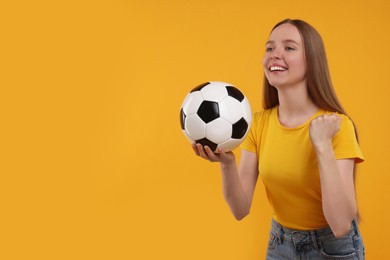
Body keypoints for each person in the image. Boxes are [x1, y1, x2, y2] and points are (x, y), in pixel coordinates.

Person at [192, 19, 365, 259]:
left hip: (333, 248)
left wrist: (322, 145)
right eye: (270, 48)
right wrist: (227, 164)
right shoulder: (258, 124)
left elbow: (341, 225)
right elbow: (240, 209)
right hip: (280, 244)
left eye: (289, 48)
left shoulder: (336, 126)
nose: (275, 55)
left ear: (312, 60)